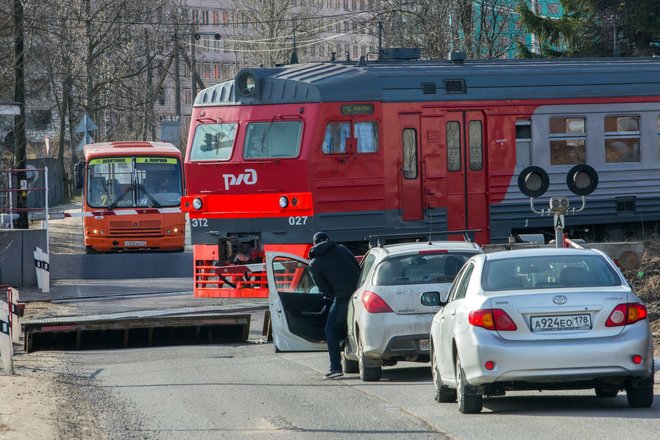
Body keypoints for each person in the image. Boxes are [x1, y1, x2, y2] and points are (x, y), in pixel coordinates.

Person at [308, 231, 360, 379]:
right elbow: (358, 269)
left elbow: (324, 289)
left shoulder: (314, 264)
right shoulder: (343, 249)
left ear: (314, 244)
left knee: (331, 330)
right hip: (359, 294)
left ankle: (335, 367)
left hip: (342, 298)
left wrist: (333, 294)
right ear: (328, 240)